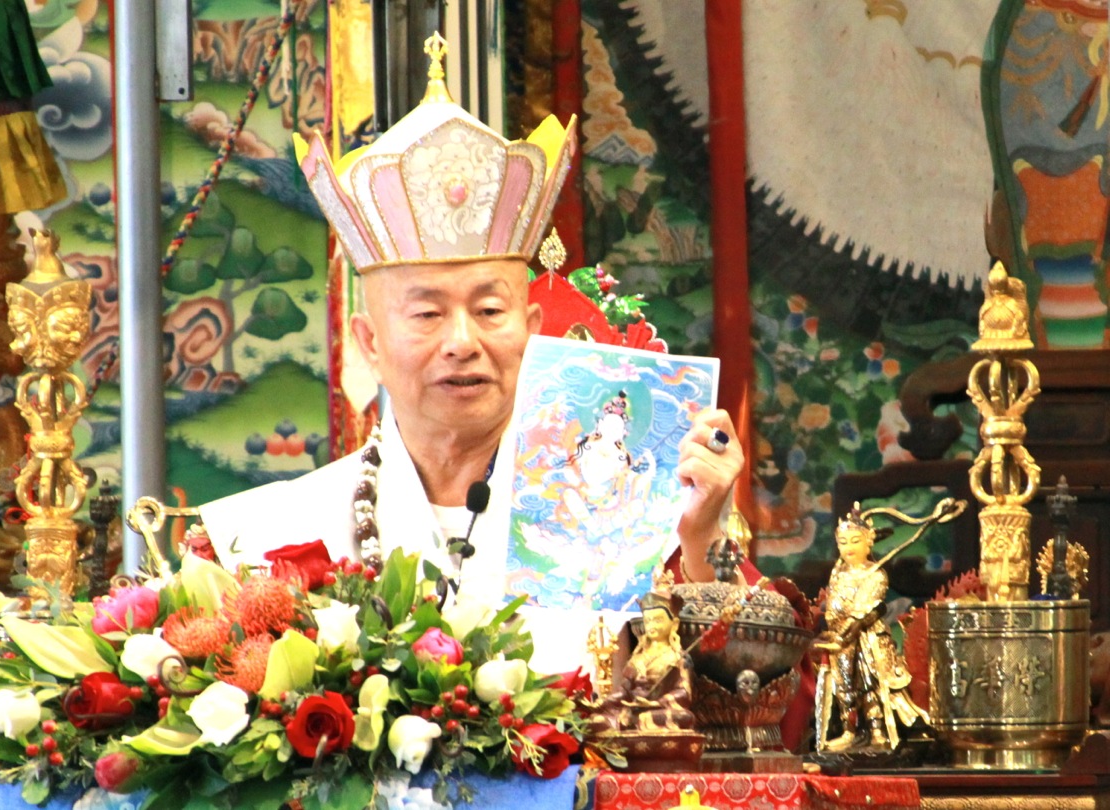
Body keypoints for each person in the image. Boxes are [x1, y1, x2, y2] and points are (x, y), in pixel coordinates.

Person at [199, 33, 744, 674]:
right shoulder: (268, 539)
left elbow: (741, 694)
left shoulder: (629, 510)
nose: (463, 342)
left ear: (532, 331)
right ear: (370, 343)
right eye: (427, 314)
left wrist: (702, 538)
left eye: (489, 311)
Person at [814, 506, 928, 752]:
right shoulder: (838, 574)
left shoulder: (875, 575)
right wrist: (834, 633)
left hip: (866, 638)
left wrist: (848, 630)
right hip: (839, 639)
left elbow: (867, 609)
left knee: (869, 682)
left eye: (855, 541)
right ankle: (849, 731)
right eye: (843, 542)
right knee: (844, 684)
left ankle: (877, 731)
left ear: (868, 543)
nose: (849, 547)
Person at [589, 590, 694, 734]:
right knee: (596, 720)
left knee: (682, 717)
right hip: (632, 710)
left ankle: (635, 726)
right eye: (648, 621)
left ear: (674, 624)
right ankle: (629, 726)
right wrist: (603, 702)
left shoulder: (677, 657)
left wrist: (655, 703)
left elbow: (684, 692)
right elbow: (624, 691)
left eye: (658, 620)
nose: (651, 625)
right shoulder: (638, 657)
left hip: (659, 710)